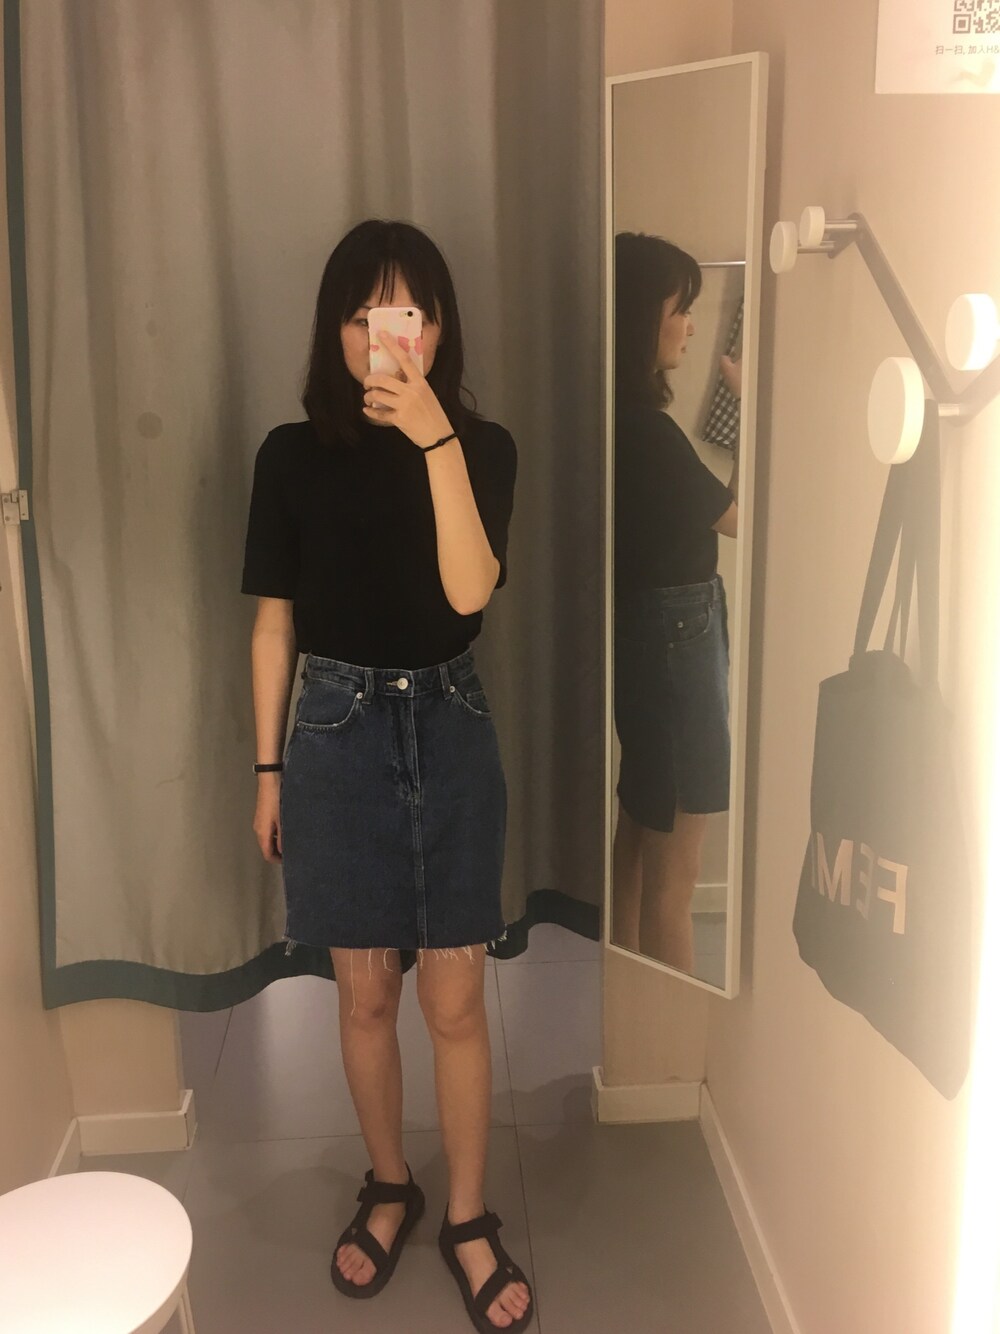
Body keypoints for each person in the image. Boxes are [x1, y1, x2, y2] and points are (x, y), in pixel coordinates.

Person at [240, 218, 533, 1333]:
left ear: (437, 329)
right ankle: (389, 1182)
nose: (381, 335)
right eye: (361, 314)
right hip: (333, 728)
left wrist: (435, 439)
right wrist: (268, 771)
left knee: (454, 999)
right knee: (364, 994)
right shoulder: (288, 456)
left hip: (450, 724)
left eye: (403, 313)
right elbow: (274, 627)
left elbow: (468, 593)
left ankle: (466, 1214)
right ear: (335, 329)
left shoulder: (483, 446)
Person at [611, 231, 740, 972]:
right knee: (677, 868)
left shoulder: (618, 417)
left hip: (647, 628)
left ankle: (633, 1002)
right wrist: (752, 407)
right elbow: (740, 517)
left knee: (640, 823)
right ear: (642, 318)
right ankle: (672, 1023)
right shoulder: (649, 433)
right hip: (678, 632)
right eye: (680, 309)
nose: (690, 326)